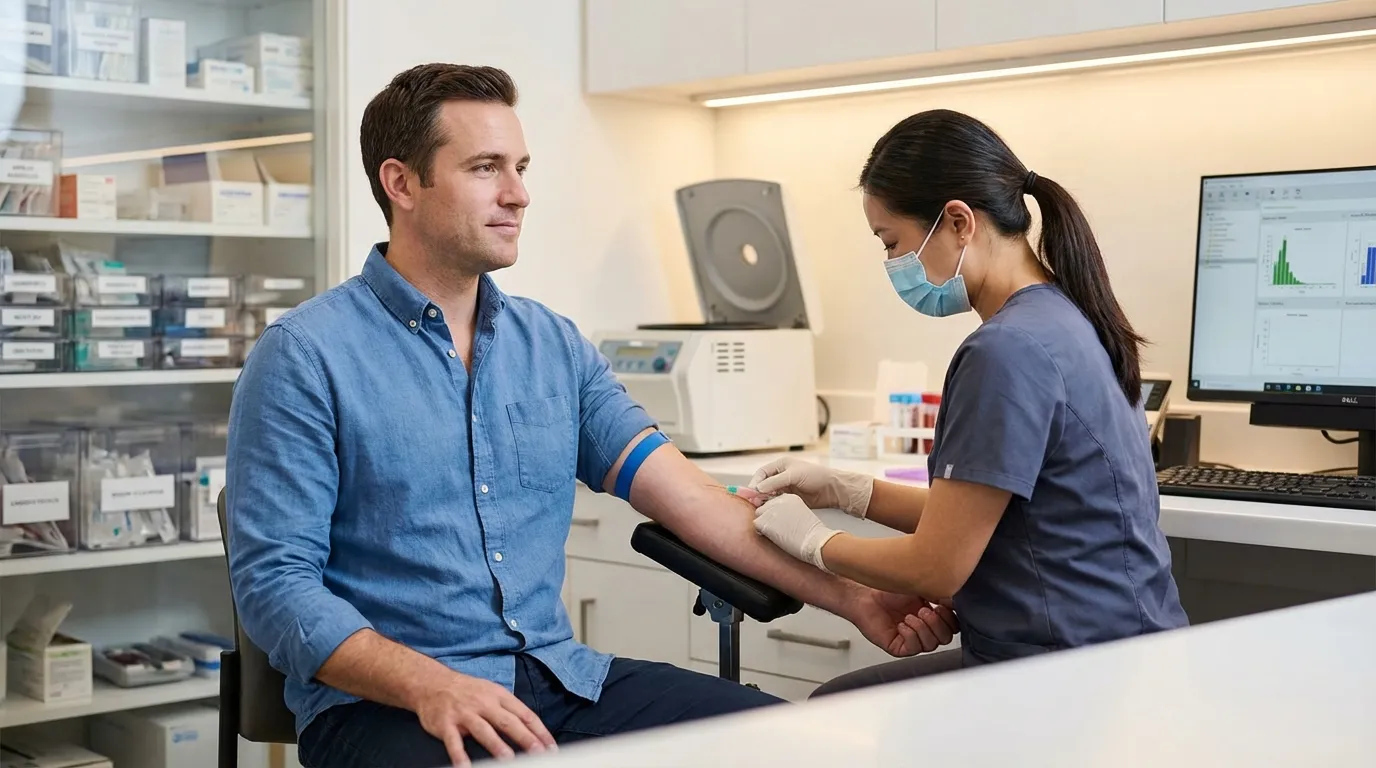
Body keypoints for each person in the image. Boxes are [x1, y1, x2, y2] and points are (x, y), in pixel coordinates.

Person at [225, 63, 959, 768]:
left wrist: (856, 600)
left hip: (558, 680)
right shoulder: (304, 357)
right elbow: (276, 585)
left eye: (522, 167)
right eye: (486, 168)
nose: (518, 194)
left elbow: (695, 502)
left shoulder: (552, 346)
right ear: (401, 183)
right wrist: (431, 685)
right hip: (389, 708)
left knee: (780, 743)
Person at [748, 108, 1189, 695]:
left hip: (1067, 673)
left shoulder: (1005, 350)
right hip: (1120, 647)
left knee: (834, 704)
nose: (893, 265)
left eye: (893, 242)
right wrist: (845, 491)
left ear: (958, 220)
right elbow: (986, 512)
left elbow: (936, 566)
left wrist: (811, 540)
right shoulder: (1068, 316)